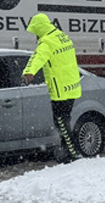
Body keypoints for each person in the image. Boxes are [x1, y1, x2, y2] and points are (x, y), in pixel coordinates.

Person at [22, 13, 84, 160]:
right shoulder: (62, 37)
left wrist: (29, 72)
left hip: (60, 88)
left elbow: (37, 57)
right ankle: (67, 150)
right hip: (71, 85)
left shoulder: (47, 42)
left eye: (36, 32)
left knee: (61, 122)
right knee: (65, 120)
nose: (35, 36)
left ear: (40, 28)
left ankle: (73, 154)